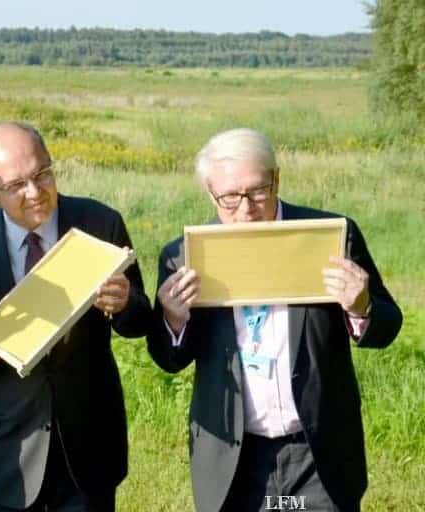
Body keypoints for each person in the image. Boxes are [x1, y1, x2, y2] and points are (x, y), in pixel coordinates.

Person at [147, 128, 403, 512]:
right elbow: (169, 358)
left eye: (258, 192)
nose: (246, 210)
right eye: (230, 198)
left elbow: (387, 326)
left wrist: (361, 306)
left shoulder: (332, 237)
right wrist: (173, 319)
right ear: (210, 193)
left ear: (277, 179)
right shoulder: (183, 255)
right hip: (233, 455)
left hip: (316, 453)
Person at [0, 122, 152, 512]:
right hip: (6, 447)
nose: (35, 193)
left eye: (42, 174)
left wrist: (125, 302)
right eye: (16, 185)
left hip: (88, 444)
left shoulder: (100, 223)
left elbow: (140, 319)